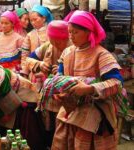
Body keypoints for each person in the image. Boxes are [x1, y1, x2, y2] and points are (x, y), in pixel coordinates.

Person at [51, 10, 124, 150]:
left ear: (89, 32)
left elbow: (117, 83)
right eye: (69, 32)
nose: (71, 36)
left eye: (76, 32)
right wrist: (57, 91)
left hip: (93, 114)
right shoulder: (67, 52)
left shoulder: (101, 55)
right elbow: (59, 77)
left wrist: (90, 89)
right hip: (69, 110)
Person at [20, 4, 53, 77]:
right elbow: (25, 55)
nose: (32, 23)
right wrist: (24, 72)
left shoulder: (52, 33)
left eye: (35, 19)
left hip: (51, 70)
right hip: (34, 71)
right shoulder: (30, 35)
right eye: (31, 20)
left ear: (44, 18)